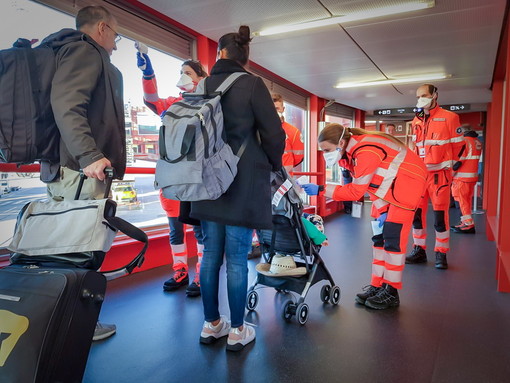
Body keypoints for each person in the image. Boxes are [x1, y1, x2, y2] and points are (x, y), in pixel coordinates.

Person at [185, 25, 285, 351]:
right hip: (242, 181)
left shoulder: (201, 86)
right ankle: (238, 331)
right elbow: (274, 133)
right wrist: (273, 163)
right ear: (245, 55)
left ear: (218, 54)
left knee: (211, 254)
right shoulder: (252, 85)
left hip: (206, 182)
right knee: (238, 258)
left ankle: (211, 324)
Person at [45, 6, 125, 341]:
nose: (116, 45)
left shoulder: (76, 53)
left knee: (72, 249)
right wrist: (90, 155)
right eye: (116, 36)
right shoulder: (85, 52)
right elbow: (66, 104)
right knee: (77, 250)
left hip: (75, 171)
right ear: (103, 28)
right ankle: (74, 328)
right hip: (80, 172)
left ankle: (66, 325)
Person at [302, 123, 427, 309]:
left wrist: (320, 190)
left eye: (326, 149)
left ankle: (391, 291)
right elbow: (376, 181)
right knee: (378, 239)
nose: (324, 154)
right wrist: (382, 209)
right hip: (386, 193)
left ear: (342, 143)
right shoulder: (351, 154)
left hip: (405, 190)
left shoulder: (366, 150)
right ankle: (377, 286)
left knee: (393, 240)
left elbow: (355, 192)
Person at [136, 49, 208, 294]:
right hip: (171, 176)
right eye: (181, 72)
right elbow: (151, 99)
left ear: (200, 79)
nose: (182, 76)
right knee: (175, 229)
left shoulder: (209, 105)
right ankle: (180, 270)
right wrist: (148, 73)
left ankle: (201, 273)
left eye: (188, 73)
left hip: (196, 178)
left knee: (199, 230)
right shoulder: (171, 104)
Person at [406, 84, 464, 269]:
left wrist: (450, 168)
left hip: (440, 176)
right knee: (416, 214)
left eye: (424, 95)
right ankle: (419, 250)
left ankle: (441, 253)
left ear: (434, 95)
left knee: (440, 215)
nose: (420, 99)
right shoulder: (416, 120)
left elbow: (459, 147)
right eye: (418, 96)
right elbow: (415, 147)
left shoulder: (450, 118)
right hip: (419, 175)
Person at [451, 124, 482, 234]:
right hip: (471, 177)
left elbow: (458, 162)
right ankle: (466, 222)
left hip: (462, 178)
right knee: (466, 201)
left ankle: (468, 224)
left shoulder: (465, 141)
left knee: (462, 201)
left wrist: (450, 174)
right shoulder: (477, 141)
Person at [272, 93, 304, 174]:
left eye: (277, 109)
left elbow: (298, 158)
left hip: (286, 178)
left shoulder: (294, 131)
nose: (274, 112)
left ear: (283, 109)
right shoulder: (258, 130)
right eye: (271, 109)